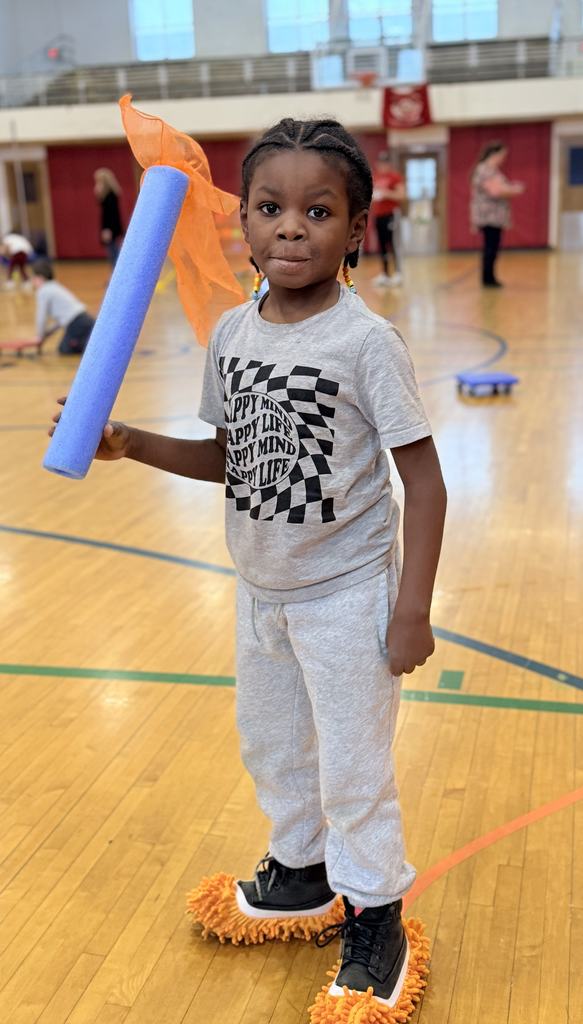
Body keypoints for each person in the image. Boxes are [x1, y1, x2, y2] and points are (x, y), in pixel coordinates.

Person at [50, 118, 446, 1014]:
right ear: (245, 223)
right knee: (272, 748)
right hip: (260, 590)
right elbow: (232, 457)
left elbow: (423, 486)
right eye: (269, 208)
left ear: (354, 229)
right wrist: (130, 443)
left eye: (317, 210)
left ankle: (375, 912)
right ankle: (302, 872)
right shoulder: (232, 332)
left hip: (347, 595)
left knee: (352, 763)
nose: (290, 228)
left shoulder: (366, 343)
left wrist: (409, 608)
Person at [470, 141, 525, 288]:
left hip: (495, 215)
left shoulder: (493, 170)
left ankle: (490, 277)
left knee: (493, 247)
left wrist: (510, 188)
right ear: (494, 154)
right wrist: (514, 189)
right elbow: (495, 191)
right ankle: (488, 279)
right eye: (502, 155)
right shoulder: (484, 170)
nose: (503, 158)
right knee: (490, 247)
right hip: (489, 215)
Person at [32, 260, 95, 354]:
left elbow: (41, 317)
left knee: (64, 349)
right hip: (85, 319)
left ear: (40, 278)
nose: (32, 281)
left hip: (76, 323)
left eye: (33, 278)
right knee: (65, 346)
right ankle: (89, 340)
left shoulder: (43, 291)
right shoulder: (55, 286)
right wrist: (46, 334)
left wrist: (39, 337)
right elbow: (60, 321)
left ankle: (89, 345)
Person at [371, 151, 406, 287]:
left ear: (389, 164)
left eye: (385, 162)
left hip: (391, 214)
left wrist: (387, 194)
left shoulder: (395, 177)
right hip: (378, 215)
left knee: (394, 244)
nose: (382, 165)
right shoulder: (375, 177)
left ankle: (398, 273)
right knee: (382, 245)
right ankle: (385, 274)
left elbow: (401, 195)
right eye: (380, 163)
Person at [93, 167, 124, 267]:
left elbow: (110, 214)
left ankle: (117, 275)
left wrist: (107, 229)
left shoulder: (110, 196)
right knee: (113, 252)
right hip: (111, 227)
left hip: (110, 228)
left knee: (113, 253)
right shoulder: (108, 194)